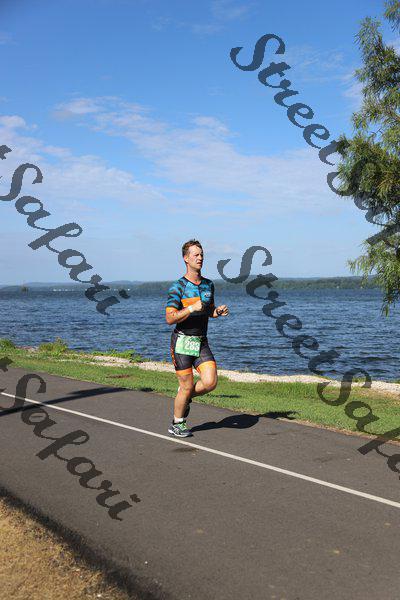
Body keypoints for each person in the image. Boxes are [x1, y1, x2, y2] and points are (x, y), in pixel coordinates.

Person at [165, 240, 229, 437]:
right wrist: (191, 308)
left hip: (201, 341)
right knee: (185, 386)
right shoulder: (178, 287)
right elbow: (170, 318)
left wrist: (217, 312)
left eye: (201, 254)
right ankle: (177, 423)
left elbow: (209, 311)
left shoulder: (208, 285)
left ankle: (184, 396)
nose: (200, 258)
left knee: (210, 382)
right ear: (186, 258)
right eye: (196, 255)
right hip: (182, 342)